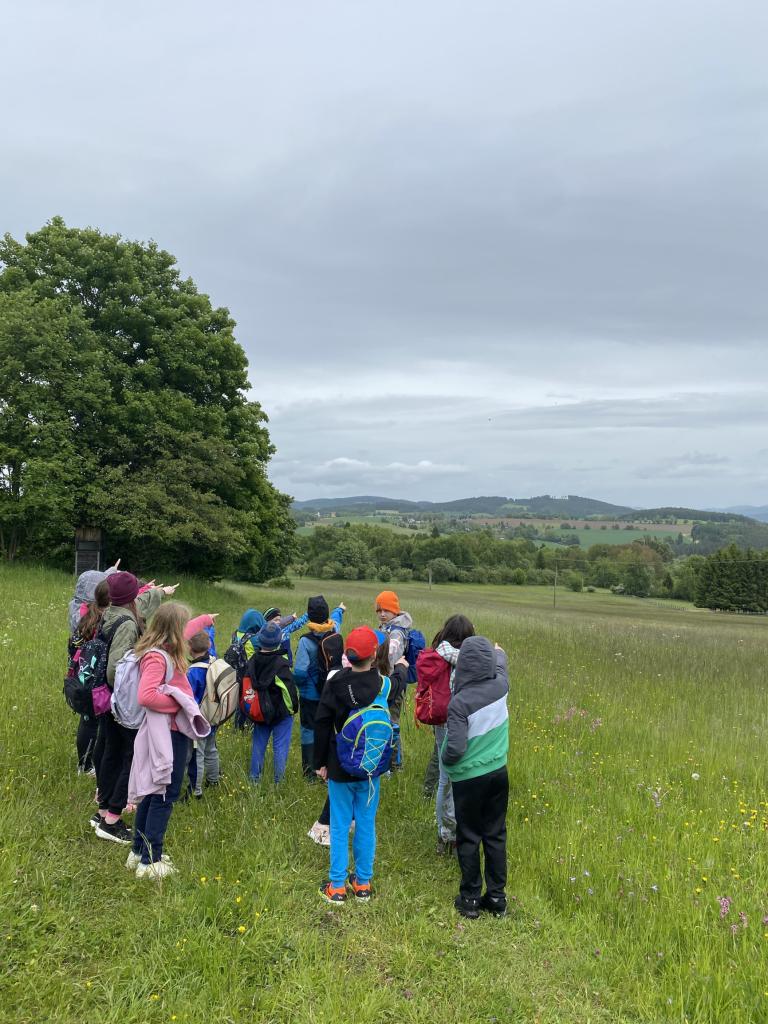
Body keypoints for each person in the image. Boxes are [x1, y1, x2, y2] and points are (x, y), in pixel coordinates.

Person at [127, 603, 211, 879]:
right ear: (174, 630)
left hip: (169, 731)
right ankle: (150, 861)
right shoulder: (158, 657)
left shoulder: (162, 647)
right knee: (164, 793)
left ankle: (138, 851)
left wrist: (205, 619)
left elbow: (188, 629)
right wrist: (179, 703)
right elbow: (146, 696)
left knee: (154, 791)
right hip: (169, 733)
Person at [92, 572, 177, 843]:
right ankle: (112, 820)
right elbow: (115, 669)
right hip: (121, 701)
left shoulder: (109, 612)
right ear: (131, 596)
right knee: (129, 757)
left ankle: (102, 810)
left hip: (106, 699)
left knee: (111, 753)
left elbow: (142, 601)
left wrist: (160, 592)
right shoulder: (128, 623)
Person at [314, 626, 392, 904]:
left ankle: (336, 886)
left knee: (339, 824)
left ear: (347, 653)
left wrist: (320, 762)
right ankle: (362, 883)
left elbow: (322, 723)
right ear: (375, 654)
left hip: (339, 765)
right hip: (371, 766)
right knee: (366, 823)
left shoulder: (334, 683)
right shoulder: (384, 685)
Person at [441, 636, 509, 919]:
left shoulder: (459, 703)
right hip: (498, 773)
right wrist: (499, 652)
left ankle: (469, 899)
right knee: (495, 833)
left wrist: (445, 759)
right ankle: (496, 898)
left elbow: (456, 748)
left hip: (469, 780)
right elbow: (501, 664)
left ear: (463, 666)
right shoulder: (501, 685)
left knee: (468, 836)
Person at [429, 614, 476, 854]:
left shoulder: (438, 652)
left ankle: (443, 834)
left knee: (444, 779)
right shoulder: (469, 659)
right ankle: (456, 834)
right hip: (460, 722)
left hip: (440, 720)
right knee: (462, 778)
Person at [293, 596, 345, 779]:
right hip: (331, 693)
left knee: (308, 730)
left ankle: (310, 771)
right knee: (328, 729)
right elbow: (336, 619)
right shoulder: (334, 630)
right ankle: (327, 768)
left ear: (309, 617)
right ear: (326, 615)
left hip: (310, 696)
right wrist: (340, 610)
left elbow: (300, 672)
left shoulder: (305, 642)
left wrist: (299, 686)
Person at [67, 579, 112, 775]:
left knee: (88, 721)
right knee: (92, 723)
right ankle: (85, 766)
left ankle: (86, 763)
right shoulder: (104, 623)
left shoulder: (86, 616)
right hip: (96, 683)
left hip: (81, 677)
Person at [246, 621, 299, 783]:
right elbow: (288, 691)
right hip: (280, 713)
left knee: (258, 745)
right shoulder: (281, 664)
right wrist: (292, 709)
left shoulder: (252, 661)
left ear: (260, 640)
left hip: (259, 711)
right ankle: (278, 782)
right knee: (280, 746)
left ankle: (254, 779)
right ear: (278, 641)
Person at [374, 590, 415, 769]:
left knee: (392, 724)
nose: (382, 614)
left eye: (386, 610)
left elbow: (390, 660)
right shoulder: (387, 627)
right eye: (379, 610)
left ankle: (395, 765)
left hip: (392, 685)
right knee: (386, 722)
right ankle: (387, 762)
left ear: (395, 611)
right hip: (387, 683)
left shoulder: (396, 632)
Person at [185, 628, 219, 796]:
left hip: (200, 719)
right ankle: (213, 779)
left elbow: (189, 698)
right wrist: (209, 627)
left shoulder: (193, 672)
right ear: (209, 645)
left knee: (197, 754)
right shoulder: (214, 660)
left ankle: (195, 791)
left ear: (190, 648)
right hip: (214, 715)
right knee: (211, 750)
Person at [230, 609, 266, 730]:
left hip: (236, 674)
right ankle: (249, 725)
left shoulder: (235, 634)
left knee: (239, 700)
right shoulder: (254, 639)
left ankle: (237, 726)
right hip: (249, 675)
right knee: (249, 700)